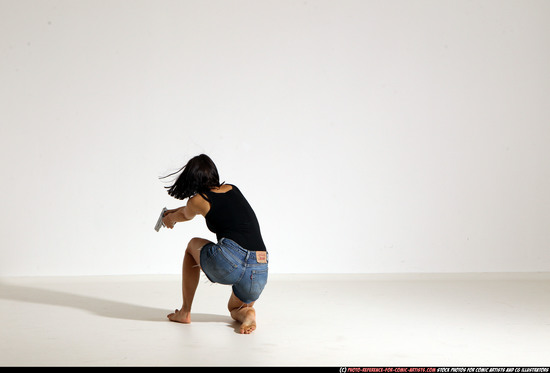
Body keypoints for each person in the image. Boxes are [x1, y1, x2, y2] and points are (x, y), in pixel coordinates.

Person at [160, 154, 268, 334]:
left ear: (191, 178)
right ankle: (248, 314)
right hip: (259, 269)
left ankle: (185, 312)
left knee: (191, 246)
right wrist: (172, 211)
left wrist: (170, 219)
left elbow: (185, 214)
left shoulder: (198, 200)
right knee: (235, 309)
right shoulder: (232, 189)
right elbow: (190, 210)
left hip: (230, 260)